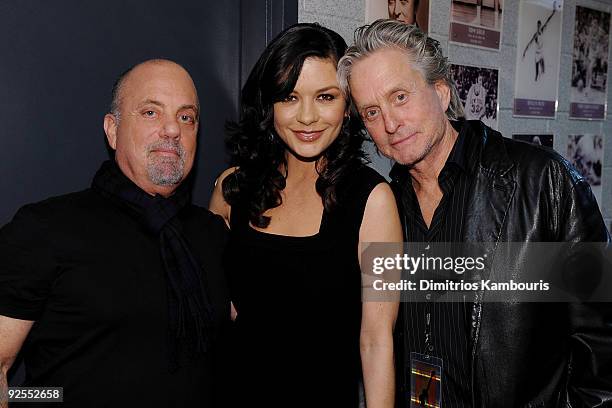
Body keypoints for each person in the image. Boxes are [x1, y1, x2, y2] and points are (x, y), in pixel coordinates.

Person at [338, 19, 611, 407]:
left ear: (441, 91)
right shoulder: (382, 205)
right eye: (371, 112)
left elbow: (600, 342)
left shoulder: (542, 181)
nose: (390, 123)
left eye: (400, 97)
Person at [0, 59, 230, 408]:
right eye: (151, 112)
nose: (172, 129)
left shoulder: (212, 235)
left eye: (186, 117)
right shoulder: (45, 229)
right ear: (112, 129)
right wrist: (49, 397)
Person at [209, 23, 401, 407]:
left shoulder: (373, 200)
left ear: (348, 107)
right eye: (290, 97)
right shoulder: (232, 189)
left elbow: (376, 340)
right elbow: (213, 308)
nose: (307, 117)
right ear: (269, 105)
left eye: (326, 96)